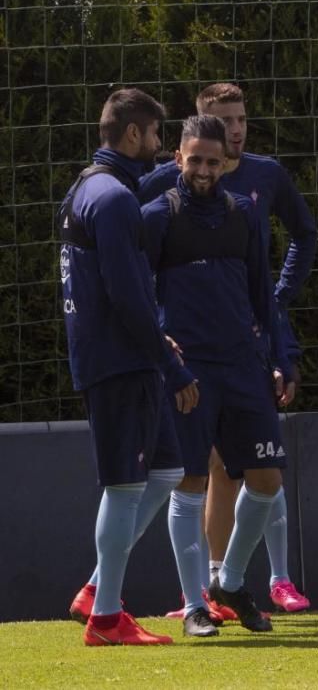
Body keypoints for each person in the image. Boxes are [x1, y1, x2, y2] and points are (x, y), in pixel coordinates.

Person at [139, 82, 316, 614]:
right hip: (189, 368)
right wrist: (159, 348)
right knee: (191, 480)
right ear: (178, 159)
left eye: (213, 162)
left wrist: (280, 357)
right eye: (196, 161)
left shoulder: (244, 213)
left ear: (225, 163)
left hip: (245, 364)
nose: (205, 170)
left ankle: (231, 579)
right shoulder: (155, 213)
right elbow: (130, 289)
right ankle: (195, 604)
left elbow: (263, 293)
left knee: (266, 479)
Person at [60, 88, 199, 645]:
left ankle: (99, 587)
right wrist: (170, 361)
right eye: (156, 136)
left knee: (165, 470)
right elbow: (126, 294)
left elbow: (119, 285)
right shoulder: (112, 199)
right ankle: (106, 617)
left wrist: (172, 174)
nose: (161, 147)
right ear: (134, 134)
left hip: (121, 356)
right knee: (124, 486)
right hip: (120, 362)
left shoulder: (91, 187)